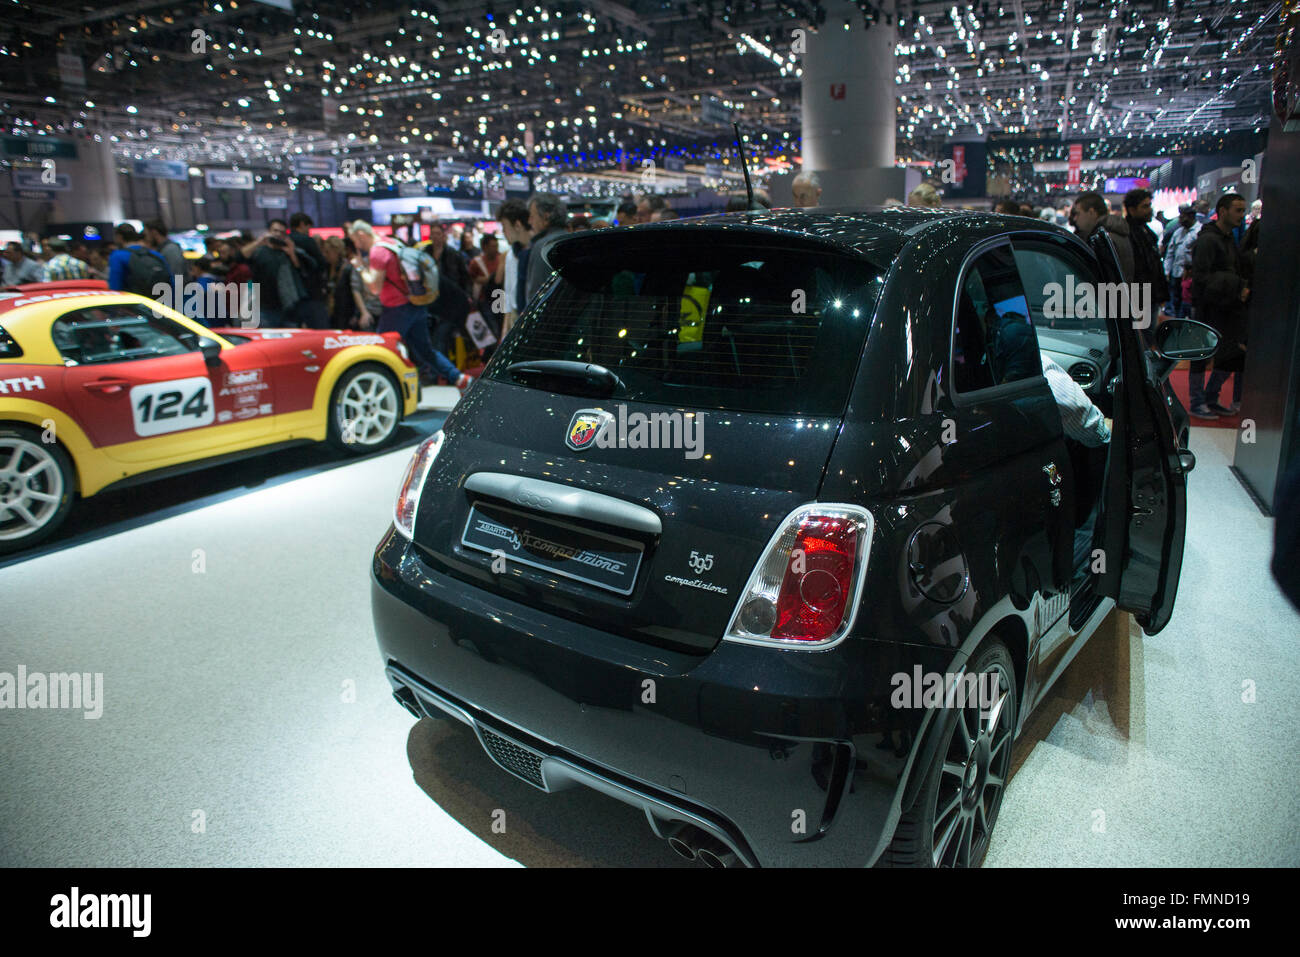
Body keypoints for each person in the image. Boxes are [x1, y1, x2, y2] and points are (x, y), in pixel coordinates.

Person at [347, 221, 469, 390]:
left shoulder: (377, 251)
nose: (356, 245)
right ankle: (459, 378)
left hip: (397, 308)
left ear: (361, 234)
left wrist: (360, 267)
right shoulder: (392, 242)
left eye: (355, 240)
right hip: (415, 303)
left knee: (382, 349)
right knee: (425, 350)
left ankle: (381, 389)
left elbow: (375, 287)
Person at [1189, 193, 1249, 418]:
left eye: (1243, 211)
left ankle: (1211, 397)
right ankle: (1197, 402)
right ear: (1222, 211)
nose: (1241, 216)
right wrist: (1234, 284)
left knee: (1229, 353)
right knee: (1201, 354)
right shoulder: (1209, 240)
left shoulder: (1227, 238)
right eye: (1238, 210)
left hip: (1227, 306)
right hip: (1209, 307)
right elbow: (1201, 277)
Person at [245, 219, 307, 327]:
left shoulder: (288, 252)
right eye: (275, 231)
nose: (278, 234)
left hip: (289, 307)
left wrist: (291, 252)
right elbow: (240, 256)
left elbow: (302, 270)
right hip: (265, 307)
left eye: (282, 232)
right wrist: (259, 241)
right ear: (269, 232)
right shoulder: (260, 252)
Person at [1122, 188, 1169, 331]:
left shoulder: (1146, 231)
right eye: (1145, 206)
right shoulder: (1128, 234)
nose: (1149, 210)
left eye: (1149, 205)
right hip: (1140, 298)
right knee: (1143, 339)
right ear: (1132, 209)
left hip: (1150, 295)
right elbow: (1135, 270)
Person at [1069, 191, 1134, 281]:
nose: (1075, 218)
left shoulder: (1102, 239)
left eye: (1078, 213)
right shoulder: (1116, 232)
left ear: (1091, 212)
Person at [524, 192, 568, 305]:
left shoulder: (543, 247)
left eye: (532, 216)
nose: (529, 221)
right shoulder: (571, 240)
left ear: (546, 217)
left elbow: (535, 298)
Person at [287, 212, 329, 328]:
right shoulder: (307, 241)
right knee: (320, 329)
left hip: (292, 292)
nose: (309, 231)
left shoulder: (286, 241)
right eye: (308, 227)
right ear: (302, 224)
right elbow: (321, 263)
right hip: (312, 291)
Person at [496, 198, 531, 336]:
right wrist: (505, 330)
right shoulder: (511, 254)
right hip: (515, 317)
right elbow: (508, 295)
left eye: (505, 227)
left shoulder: (536, 251)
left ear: (517, 225)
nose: (503, 232)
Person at [107, 225, 170, 295]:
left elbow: (115, 288)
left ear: (119, 237)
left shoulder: (117, 256)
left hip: (134, 303)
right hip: (158, 303)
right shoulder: (156, 254)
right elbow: (170, 281)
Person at [1163, 206, 1200, 319]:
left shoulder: (1200, 231)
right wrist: (1167, 270)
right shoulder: (1178, 232)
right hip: (1176, 273)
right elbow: (1170, 253)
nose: (1179, 219)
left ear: (1190, 217)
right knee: (1176, 302)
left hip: (1190, 276)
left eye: (1182, 217)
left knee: (1188, 304)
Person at [142, 219, 187, 287]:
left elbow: (176, 276)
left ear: (154, 232)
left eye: (146, 234)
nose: (146, 238)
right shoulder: (163, 249)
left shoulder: (170, 249)